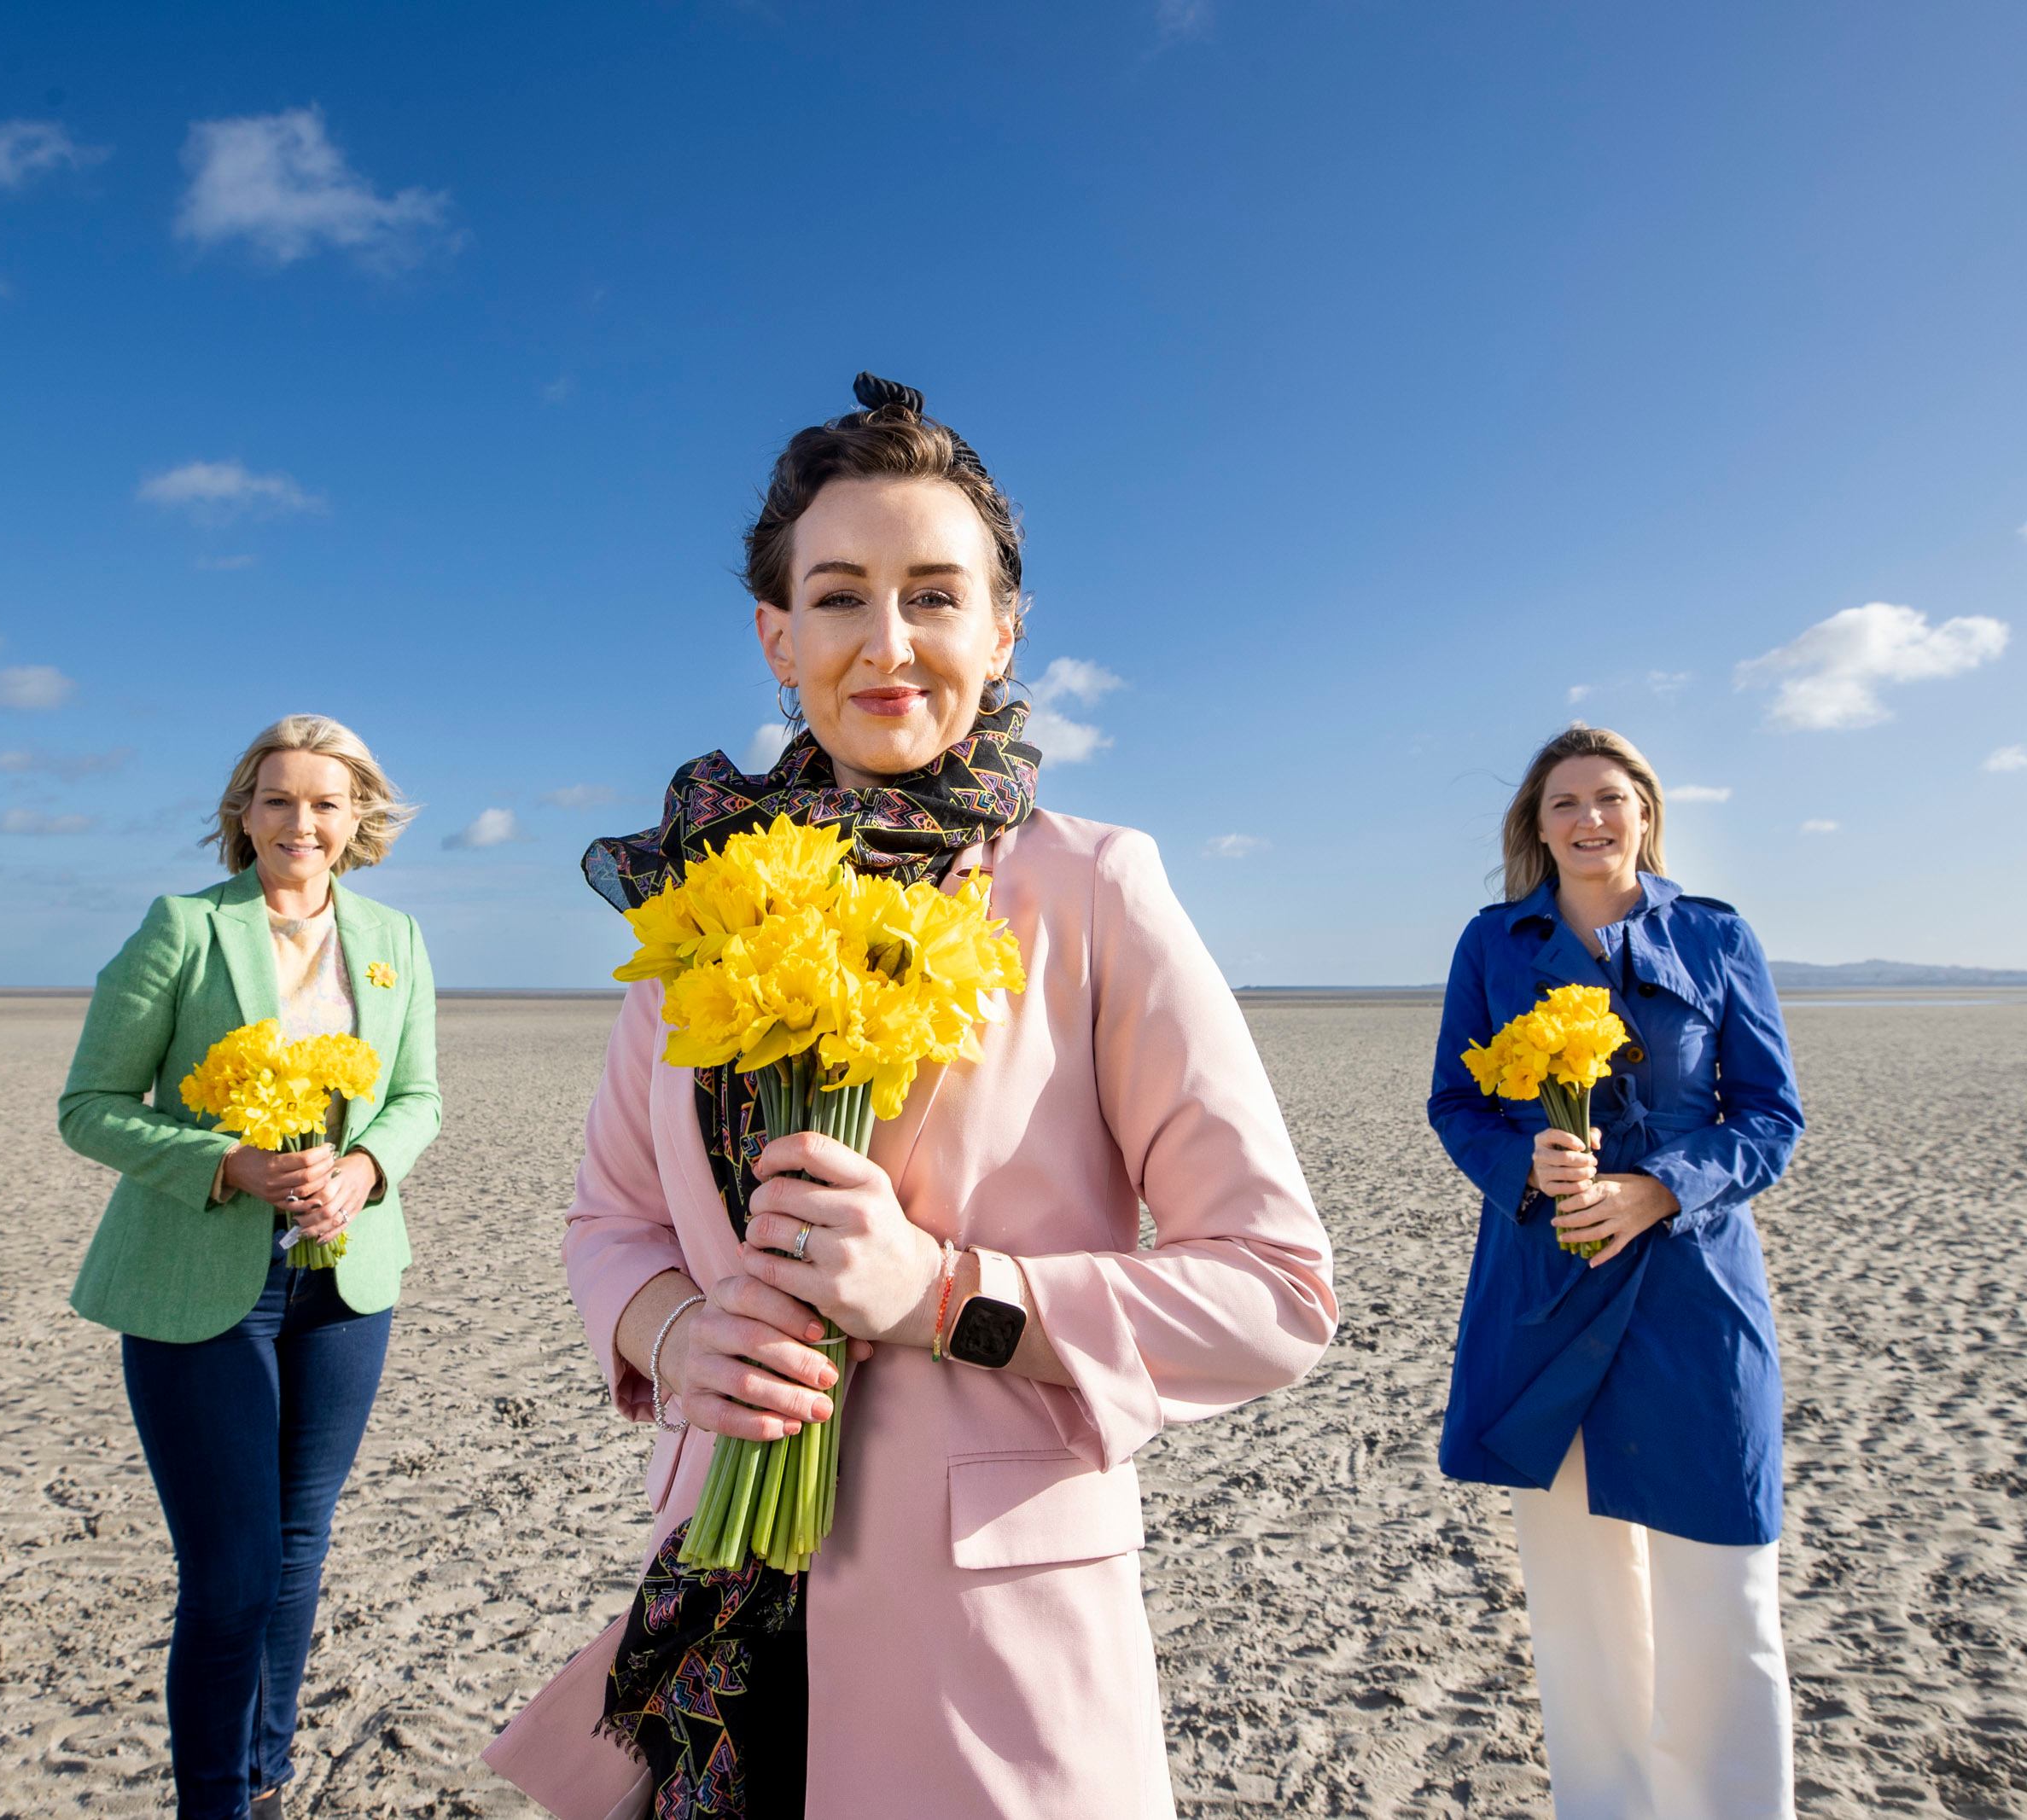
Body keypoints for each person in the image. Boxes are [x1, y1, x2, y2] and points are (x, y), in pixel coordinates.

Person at [483, 375, 1337, 1819]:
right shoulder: (701, 895)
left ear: (1003, 632)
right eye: (839, 597)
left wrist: (948, 1294)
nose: (889, 644)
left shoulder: (1092, 886)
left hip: (990, 1633)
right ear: (778, 637)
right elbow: (610, 1221)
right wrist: (679, 1332)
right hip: (726, 1607)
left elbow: (1275, 1289)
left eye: (935, 596)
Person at [58, 714, 442, 1820]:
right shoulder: (183, 929)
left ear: (358, 816)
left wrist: (365, 1171)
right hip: (200, 1286)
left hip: (346, 1284)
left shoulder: (395, 938)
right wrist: (228, 1164)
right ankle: (214, 1803)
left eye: (326, 802)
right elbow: (89, 1107)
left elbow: (419, 1096)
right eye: (279, 800)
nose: (302, 823)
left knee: (297, 1547)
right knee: (230, 1574)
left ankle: (267, 1779)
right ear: (243, 813)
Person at [1427, 724, 1805, 1819]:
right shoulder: (1493, 943)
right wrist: (1525, 1162)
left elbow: (1769, 1119)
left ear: (1644, 811)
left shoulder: (1717, 935)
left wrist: (1660, 1189)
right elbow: (1456, 1103)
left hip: (1694, 1293)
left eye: (1608, 798)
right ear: (1535, 828)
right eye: (1563, 804)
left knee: (1720, 1589)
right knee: (1581, 1607)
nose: (1587, 820)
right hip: (1545, 1291)